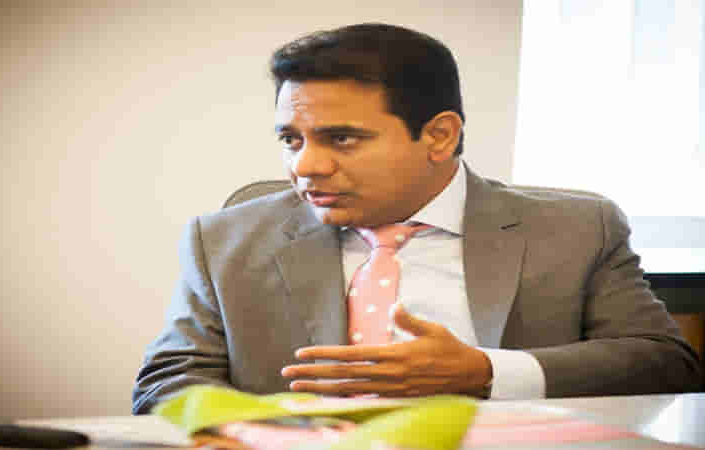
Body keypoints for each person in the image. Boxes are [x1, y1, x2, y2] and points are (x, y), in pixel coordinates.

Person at [132, 23, 702, 414]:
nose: (305, 166)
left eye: (342, 138)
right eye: (291, 139)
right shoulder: (224, 239)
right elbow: (166, 384)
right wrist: (255, 431)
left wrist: (484, 372)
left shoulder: (578, 230)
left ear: (439, 136)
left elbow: (664, 364)